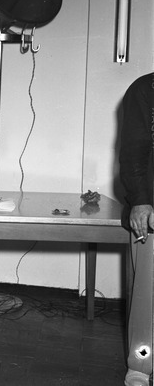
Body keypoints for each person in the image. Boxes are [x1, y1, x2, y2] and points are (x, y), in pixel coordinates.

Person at [120, 72, 154, 386]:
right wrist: (141, 201)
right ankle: (141, 367)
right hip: (152, 211)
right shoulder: (146, 90)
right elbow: (133, 152)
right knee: (148, 293)